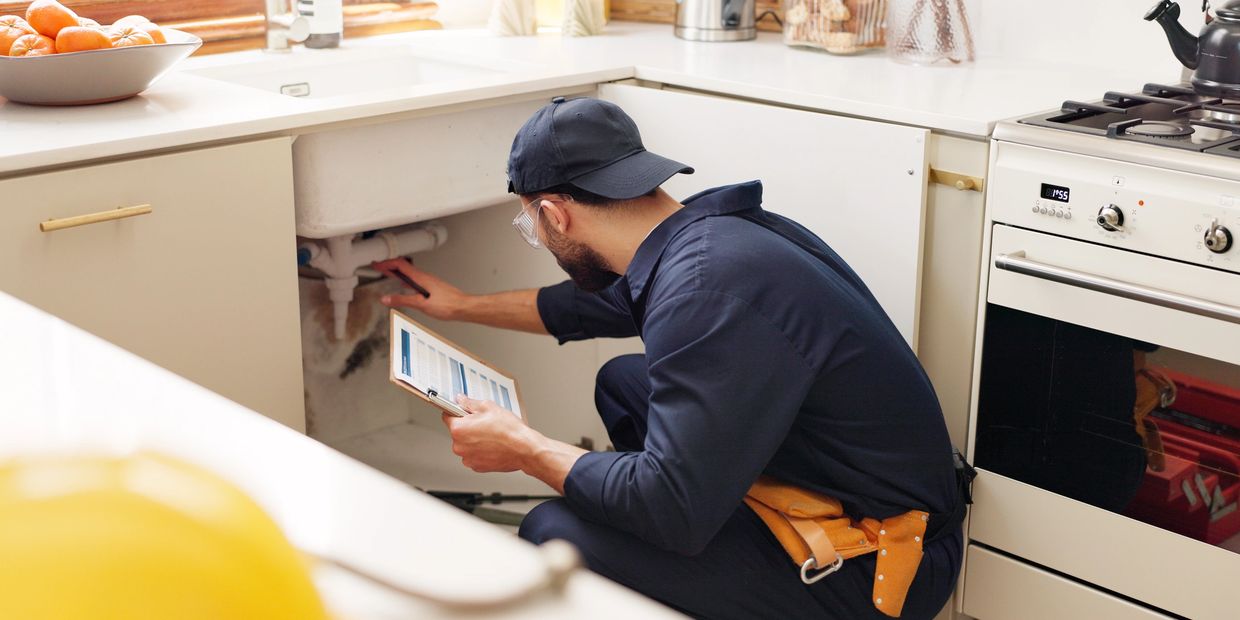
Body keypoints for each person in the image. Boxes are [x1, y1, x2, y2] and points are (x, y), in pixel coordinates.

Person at [378, 96, 965, 619]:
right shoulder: (706, 238)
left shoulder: (704, 290)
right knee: (624, 381)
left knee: (552, 529)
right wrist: (460, 306)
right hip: (837, 485)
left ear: (556, 213)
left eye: (534, 224)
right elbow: (584, 309)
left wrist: (526, 449)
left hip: (882, 562)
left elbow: (672, 508)